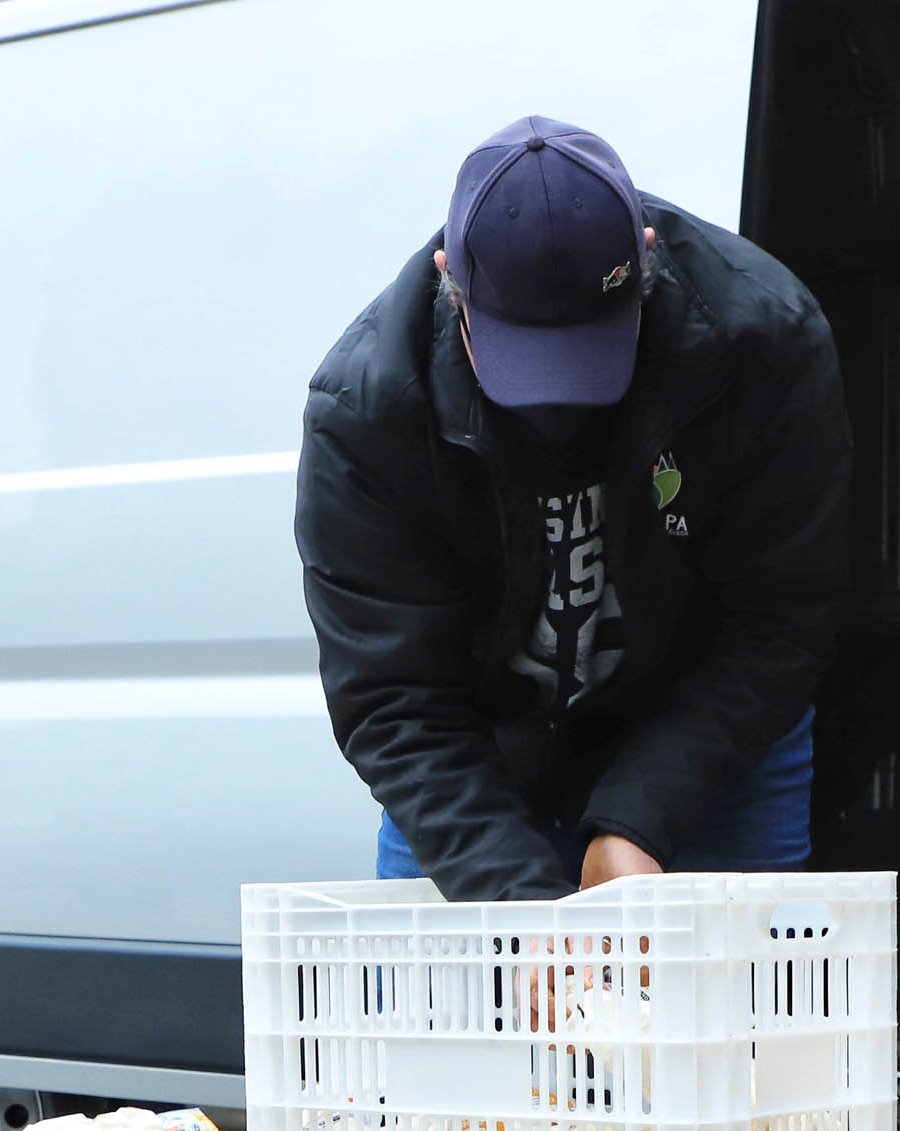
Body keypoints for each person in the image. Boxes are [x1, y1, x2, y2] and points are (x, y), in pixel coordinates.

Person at [298, 116, 850, 898]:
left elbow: (778, 618)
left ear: (647, 253)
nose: (559, 410)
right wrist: (515, 904)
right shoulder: (369, 408)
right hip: (480, 756)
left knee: (729, 1013)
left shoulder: (763, 343)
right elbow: (393, 695)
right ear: (449, 275)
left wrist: (640, 819)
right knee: (470, 1012)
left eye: (593, 350)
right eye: (525, 358)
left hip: (712, 738)